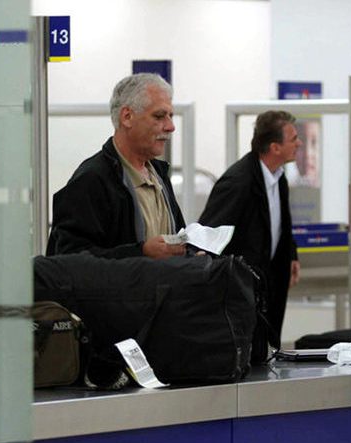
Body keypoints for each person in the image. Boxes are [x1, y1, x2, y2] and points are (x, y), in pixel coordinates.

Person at [46, 73, 186, 259]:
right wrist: (141, 253)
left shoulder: (159, 176)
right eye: (159, 116)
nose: (170, 126)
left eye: (170, 116)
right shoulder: (91, 181)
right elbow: (69, 262)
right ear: (127, 117)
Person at [199, 110, 301, 354]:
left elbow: (279, 221)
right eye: (294, 138)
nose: (299, 143)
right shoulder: (238, 181)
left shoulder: (279, 178)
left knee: (268, 346)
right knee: (248, 352)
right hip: (243, 286)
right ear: (275, 147)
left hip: (271, 279)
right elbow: (210, 232)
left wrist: (291, 255)